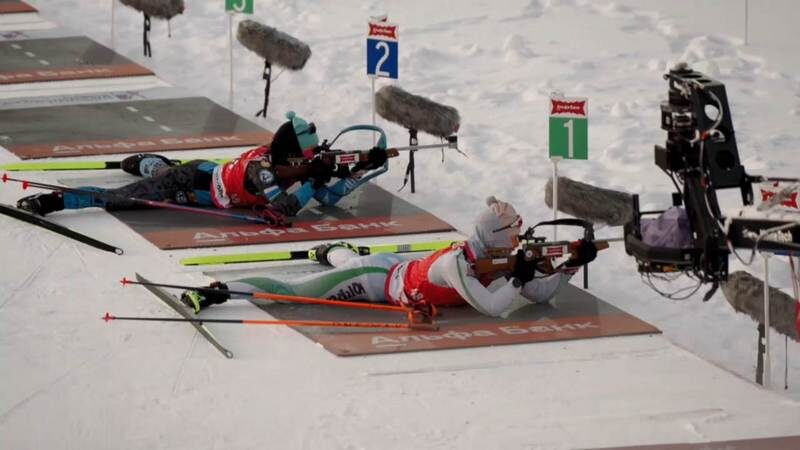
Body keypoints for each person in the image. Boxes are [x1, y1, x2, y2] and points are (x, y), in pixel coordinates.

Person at [179, 196, 599, 317]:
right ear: (496, 236)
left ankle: (332, 252)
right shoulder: (454, 264)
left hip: (391, 270)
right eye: (514, 234)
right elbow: (491, 307)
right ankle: (217, 291)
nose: (519, 240)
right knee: (294, 292)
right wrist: (519, 278)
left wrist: (571, 265)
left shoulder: (497, 259)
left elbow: (539, 296)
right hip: (380, 282)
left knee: (342, 264)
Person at [16, 111, 389, 223]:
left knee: (162, 171)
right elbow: (279, 211)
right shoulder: (262, 172)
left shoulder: (284, 164)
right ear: (291, 160)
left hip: (208, 172)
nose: (311, 163)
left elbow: (328, 192)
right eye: (306, 160)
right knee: (121, 199)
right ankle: (54, 201)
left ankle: (147, 163)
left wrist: (358, 168)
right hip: (191, 183)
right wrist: (313, 178)